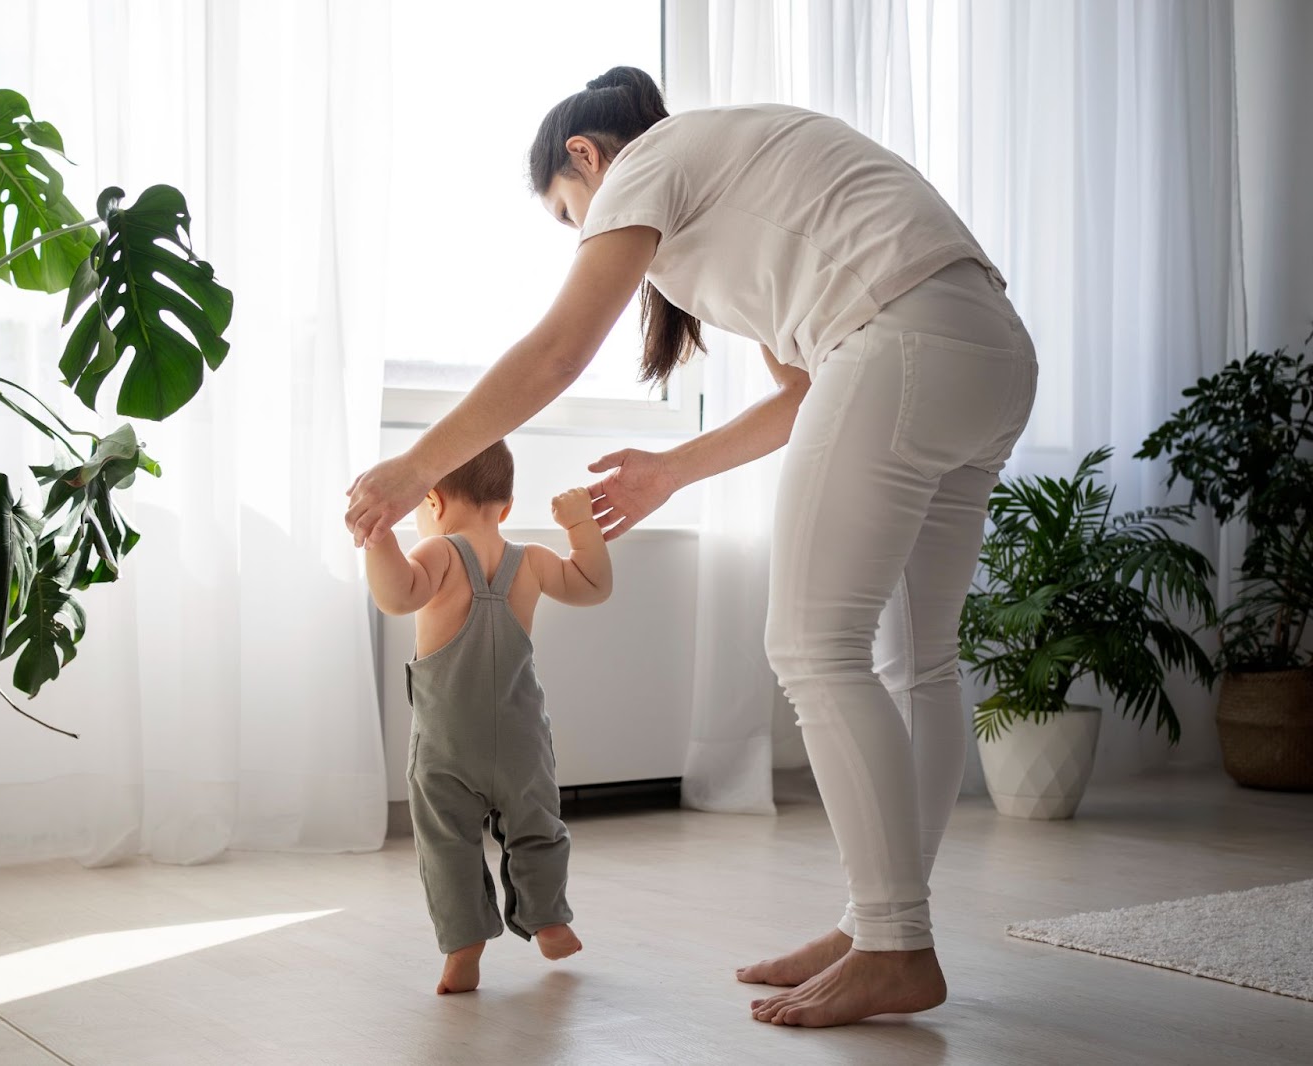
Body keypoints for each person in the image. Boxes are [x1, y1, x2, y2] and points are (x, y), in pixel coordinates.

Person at [346, 67, 1036, 1026]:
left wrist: (414, 465)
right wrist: (670, 471)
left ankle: (895, 941)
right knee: (918, 662)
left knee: (813, 647)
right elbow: (804, 394)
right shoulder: (728, 172)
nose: (580, 229)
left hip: (901, 340)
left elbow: (556, 353)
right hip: (990, 351)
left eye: (565, 209)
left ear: (586, 157)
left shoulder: (652, 162)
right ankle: (883, 922)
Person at [363, 440, 613, 994]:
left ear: (432, 500)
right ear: (505, 506)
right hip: (522, 738)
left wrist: (377, 539)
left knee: (447, 842)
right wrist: (579, 526)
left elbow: (396, 597)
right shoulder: (534, 561)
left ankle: (464, 949)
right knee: (538, 828)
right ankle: (549, 919)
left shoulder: (439, 553)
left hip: (447, 745)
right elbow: (596, 587)